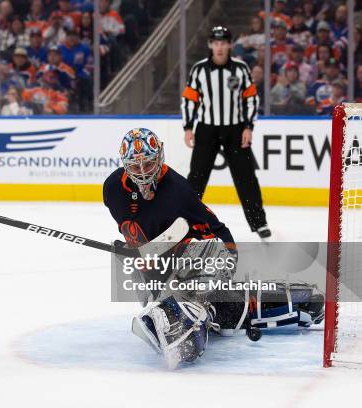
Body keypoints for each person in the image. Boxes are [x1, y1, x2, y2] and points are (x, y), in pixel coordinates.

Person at [103, 128, 325, 368]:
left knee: (210, 264)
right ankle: (200, 309)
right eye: (136, 167)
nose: (144, 173)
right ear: (125, 164)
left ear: (160, 157)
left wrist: (209, 280)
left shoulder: (179, 192)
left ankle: (199, 311)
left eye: (149, 163)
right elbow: (136, 231)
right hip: (156, 273)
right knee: (196, 306)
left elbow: (223, 241)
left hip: (188, 268)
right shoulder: (112, 189)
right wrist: (133, 251)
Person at [181, 26, 270, 239]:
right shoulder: (199, 70)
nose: (220, 47)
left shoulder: (240, 69)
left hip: (235, 130)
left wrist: (249, 126)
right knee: (196, 178)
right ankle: (186, 221)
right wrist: (187, 127)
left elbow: (251, 99)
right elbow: (189, 100)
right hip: (206, 129)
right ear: (210, 45)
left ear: (230, 44)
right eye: (216, 43)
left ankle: (259, 223)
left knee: (246, 177)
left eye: (223, 43)